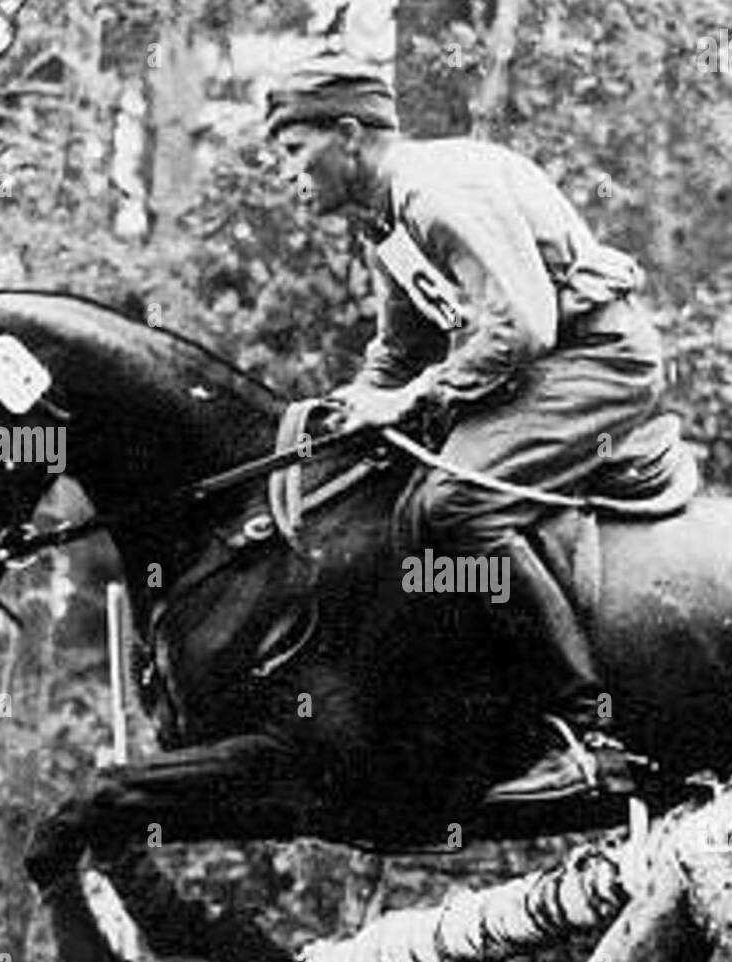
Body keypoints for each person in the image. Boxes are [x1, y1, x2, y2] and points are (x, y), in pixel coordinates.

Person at [265, 52, 692, 803]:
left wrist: (412, 400)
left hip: (594, 359)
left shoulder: (434, 191)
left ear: (349, 135)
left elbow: (521, 324)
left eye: (294, 150)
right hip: (532, 365)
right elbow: (400, 351)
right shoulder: (383, 219)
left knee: (457, 504)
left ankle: (588, 736)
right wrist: (353, 408)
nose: (285, 172)